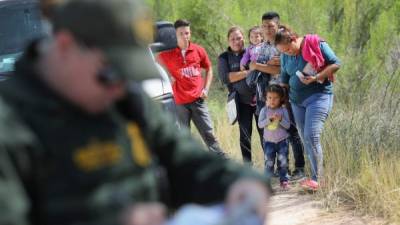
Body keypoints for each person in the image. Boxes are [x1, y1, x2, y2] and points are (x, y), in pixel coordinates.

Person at [0, 1, 271, 225]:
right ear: (64, 46)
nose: (120, 86)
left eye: (129, 74)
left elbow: (186, 159)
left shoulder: (126, 102)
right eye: (111, 72)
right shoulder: (11, 124)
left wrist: (243, 183)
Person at [275, 25, 340, 191]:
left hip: (319, 96)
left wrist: (317, 77)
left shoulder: (315, 43)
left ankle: (319, 179)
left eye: (289, 49)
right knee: (305, 139)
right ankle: (315, 178)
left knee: (312, 135)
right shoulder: (285, 55)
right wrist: (281, 100)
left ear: (294, 39)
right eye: (284, 51)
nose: (288, 52)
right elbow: (284, 77)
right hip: (297, 101)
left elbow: (336, 63)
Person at [157, 19, 224, 156]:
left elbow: (209, 68)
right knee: (184, 136)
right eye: (181, 33)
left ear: (190, 33)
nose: (184, 36)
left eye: (187, 33)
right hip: (180, 103)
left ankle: (221, 161)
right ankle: (188, 166)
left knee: (209, 133)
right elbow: (153, 61)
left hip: (197, 100)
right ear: (175, 35)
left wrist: (206, 89)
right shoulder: (167, 54)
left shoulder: (198, 50)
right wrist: (167, 74)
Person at [252, 11, 305, 179]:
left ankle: (300, 167)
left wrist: (257, 65)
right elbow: (262, 67)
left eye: (271, 26)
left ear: (278, 25)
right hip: (267, 97)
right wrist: (260, 65)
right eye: (264, 26)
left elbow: (279, 69)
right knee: (270, 129)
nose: (267, 29)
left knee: (291, 129)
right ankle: (279, 168)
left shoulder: (282, 43)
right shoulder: (264, 46)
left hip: (285, 94)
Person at [218, 27, 272, 163]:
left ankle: (270, 165)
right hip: (241, 102)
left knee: (265, 133)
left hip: (260, 99)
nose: (236, 41)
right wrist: (248, 72)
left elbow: (265, 68)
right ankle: (248, 167)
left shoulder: (252, 50)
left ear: (244, 39)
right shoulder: (224, 57)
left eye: (239, 38)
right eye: (233, 39)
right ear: (228, 41)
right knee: (245, 135)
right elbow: (226, 78)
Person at [258, 84, 290, 190]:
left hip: (282, 141)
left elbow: (288, 125)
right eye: (270, 98)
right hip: (269, 142)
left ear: (280, 98)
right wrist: (269, 119)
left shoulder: (283, 110)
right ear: (266, 98)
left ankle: (284, 181)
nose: (272, 100)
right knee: (269, 163)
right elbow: (260, 125)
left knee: (283, 162)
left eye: (275, 98)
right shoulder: (264, 111)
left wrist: (280, 119)